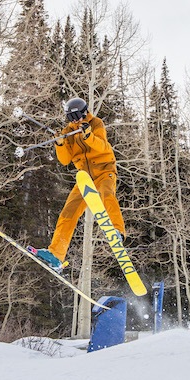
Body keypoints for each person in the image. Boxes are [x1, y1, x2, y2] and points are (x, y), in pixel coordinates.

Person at [33, 97, 126, 272]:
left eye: (77, 116)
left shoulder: (96, 123)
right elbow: (65, 160)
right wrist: (60, 144)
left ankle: (117, 231)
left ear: (84, 112)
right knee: (68, 211)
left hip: (104, 170)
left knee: (107, 194)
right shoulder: (68, 132)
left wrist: (88, 135)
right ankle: (56, 254)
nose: (75, 121)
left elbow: (103, 147)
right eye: (71, 117)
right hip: (85, 177)